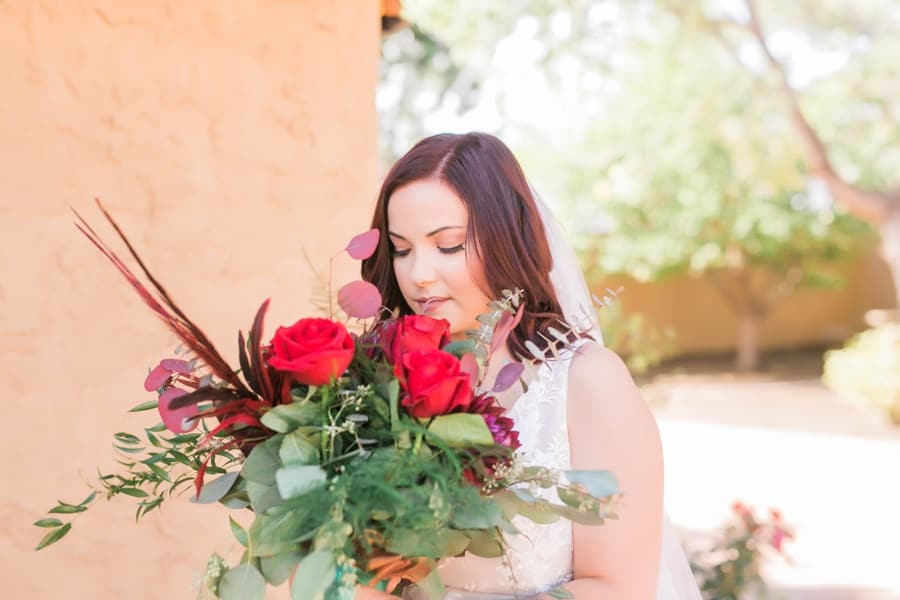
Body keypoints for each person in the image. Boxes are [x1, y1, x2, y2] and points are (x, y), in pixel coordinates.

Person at [358, 132, 701, 599]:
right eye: (401, 248)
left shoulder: (586, 383)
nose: (418, 274)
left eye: (449, 245)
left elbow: (620, 588)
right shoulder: (373, 386)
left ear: (503, 240)